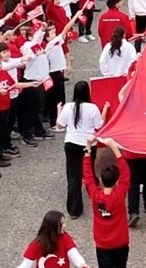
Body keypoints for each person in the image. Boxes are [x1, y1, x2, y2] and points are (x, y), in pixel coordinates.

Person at [57, 81, 107, 220]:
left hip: (71, 144)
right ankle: (98, 202)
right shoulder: (92, 108)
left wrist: (58, 110)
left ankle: (74, 209)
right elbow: (99, 126)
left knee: (73, 176)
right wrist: (104, 110)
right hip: (88, 145)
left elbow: (59, 125)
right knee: (88, 173)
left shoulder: (68, 107)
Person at [82, 137, 131, 268]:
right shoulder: (119, 194)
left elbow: (87, 175)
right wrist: (114, 147)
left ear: (102, 180)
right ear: (116, 181)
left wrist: (88, 146)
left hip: (102, 244)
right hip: (120, 241)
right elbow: (126, 173)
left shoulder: (94, 194)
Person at [16, 210, 90, 268]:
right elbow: (26, 265)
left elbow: (74, 254)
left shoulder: (64, 237)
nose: (64, 226)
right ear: (53, 226)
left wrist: (82, 264)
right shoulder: (35, 245)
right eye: (61, 224)